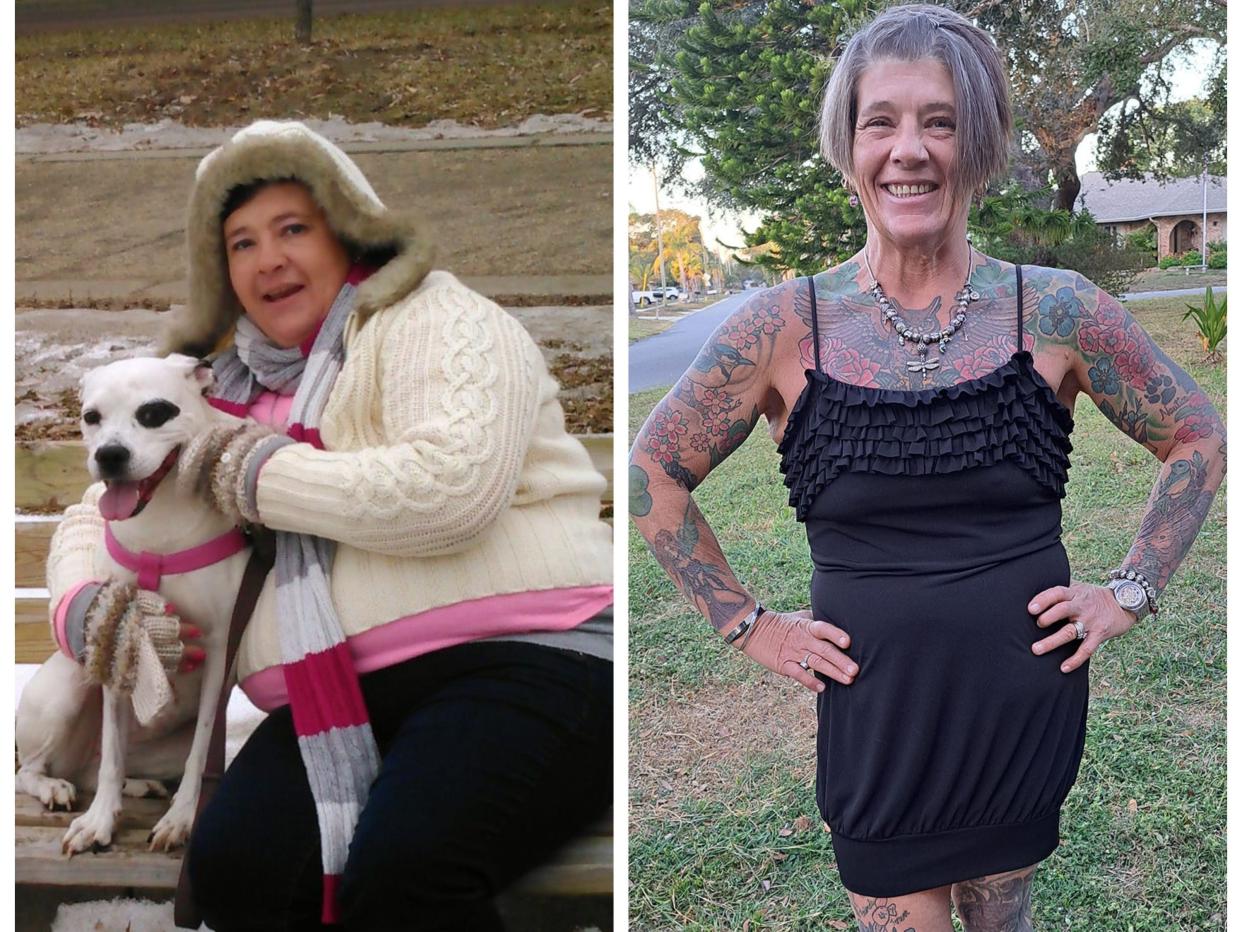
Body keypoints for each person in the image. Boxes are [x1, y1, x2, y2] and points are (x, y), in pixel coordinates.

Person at [628, 6, 1224, 930]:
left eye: (939, 121)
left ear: (976, 145)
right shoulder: (782, 326)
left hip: (1019, 711)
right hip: (877, 728)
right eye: (882, 122)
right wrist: (745, 624)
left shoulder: (1057, 311)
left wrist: (1131, 590)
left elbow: (1198, 435)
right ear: (849, 146)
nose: (910, 149)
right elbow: (651, 471)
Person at [46, 119, 614, 931]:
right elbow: (95, 512)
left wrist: (254, 471)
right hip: (335, 692)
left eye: (292, 228)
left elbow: (449, 492)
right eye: (240, 242)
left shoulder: (437, 321)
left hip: (529, 656)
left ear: (349, 230)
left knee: (408, 874)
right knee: (239, 870)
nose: (267, 258)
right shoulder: (214, 387)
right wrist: (83, 609)